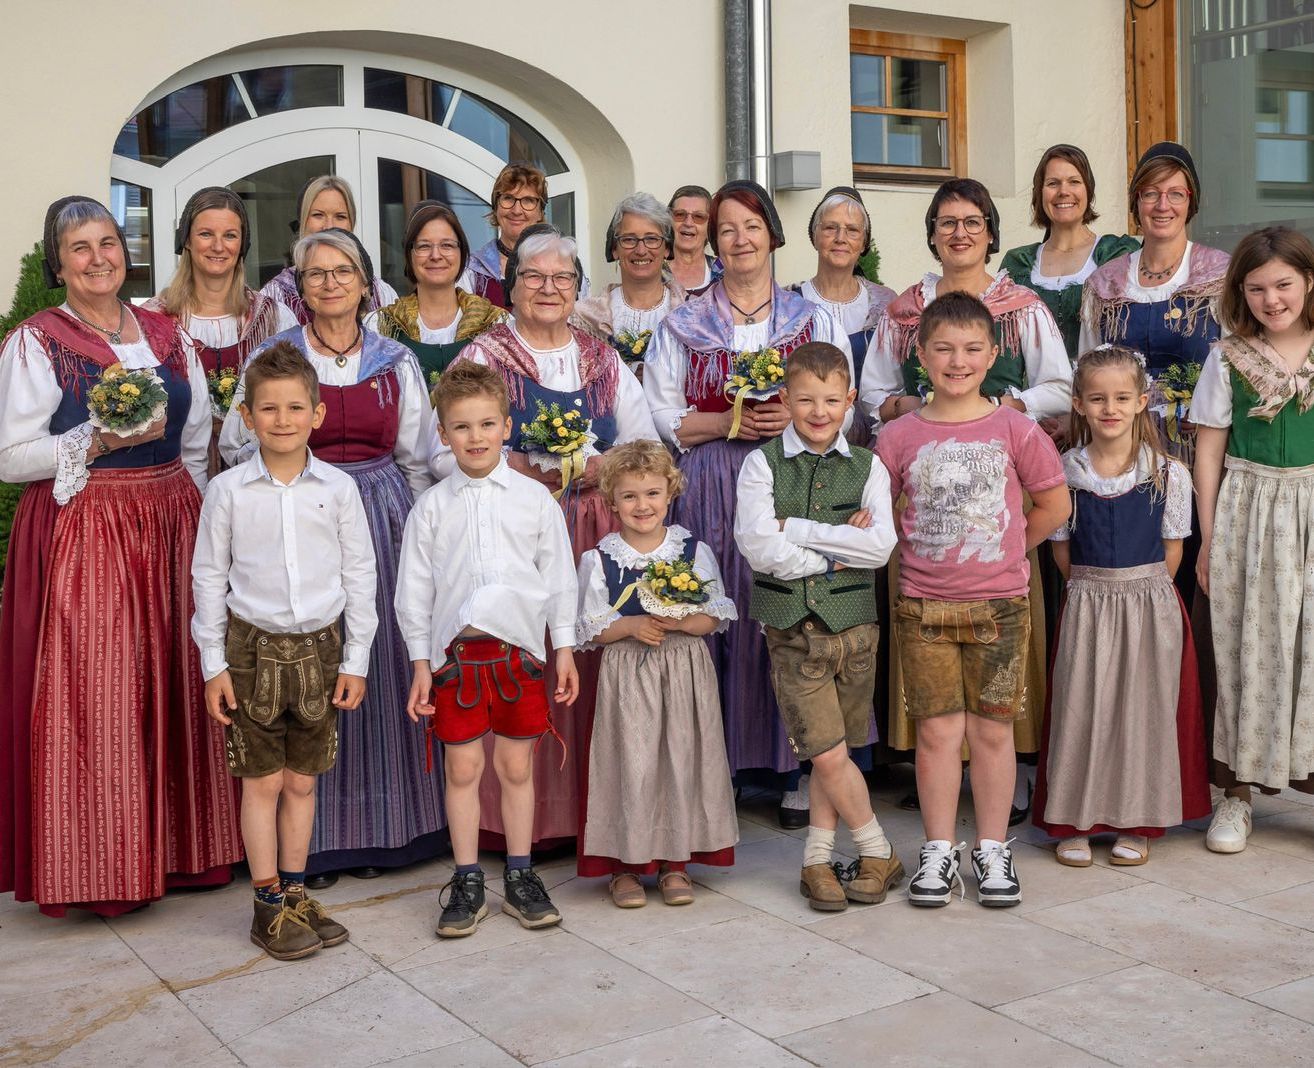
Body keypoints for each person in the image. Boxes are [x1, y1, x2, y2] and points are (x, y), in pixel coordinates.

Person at [0, 196, 240, 916]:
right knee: (101, 692)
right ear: (58, 262)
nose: (99, 257)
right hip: (88, 528)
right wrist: (96, 441)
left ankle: (186, 850)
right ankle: (100, 866)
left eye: (108, 242)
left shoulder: (169, 333)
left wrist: (200, 524)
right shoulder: (37, 341)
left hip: (171, 517)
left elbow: (197, 437)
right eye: (80, 247)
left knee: (178, 677)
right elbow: (10, 457)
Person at [222, 228, 443, 888]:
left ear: (365, 281)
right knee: (305, 669)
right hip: (300, 512)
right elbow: (238, 445)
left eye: (342, 270)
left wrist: (423, 537)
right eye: (315, 274)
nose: (330, 284)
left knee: (370, 660)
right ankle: (311, 850)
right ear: (300, 286)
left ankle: (391, 830)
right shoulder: (274, 355)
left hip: (381, 515)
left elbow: (420, 458)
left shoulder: (394, 360)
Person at [436, 223, 657, 848]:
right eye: (534, 277)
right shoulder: (484, 356)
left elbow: (644, 445)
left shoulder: (602, 356)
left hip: (596, 528)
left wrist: (598, 469)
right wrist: (516, 469)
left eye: (563, 278)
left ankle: (595, 813)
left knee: (592, 659)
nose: (549, 288)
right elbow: (441, 443)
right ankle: (522, 827)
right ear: (512, 287)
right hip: (514, 530)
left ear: (578, 287)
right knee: (523, 661)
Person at [861, 177, 1072, 814]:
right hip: (923, 511)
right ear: (931, 233)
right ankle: (938, 781)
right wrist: (901, 407)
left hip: (996, 517)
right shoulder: (903, 311)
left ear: (990, 233)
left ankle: (996, 790)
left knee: (994, 689)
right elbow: (870, 395)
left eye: (972, 222)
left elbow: (1060, 385)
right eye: (947, 222)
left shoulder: (1019, 305)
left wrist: (1009, 404)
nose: (959, 232)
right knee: (932, 672)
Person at [644, 179, 854, 786]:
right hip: (712, 479)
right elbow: (661, 413)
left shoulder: (812, 319)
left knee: (790, 609)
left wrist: (802, 412)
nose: (740, 239)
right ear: (712, 240)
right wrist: (724, 420)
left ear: (772, 236)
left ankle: (796, 765)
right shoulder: (683, 324)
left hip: (794, 474)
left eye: (751, 226)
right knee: (715, 605)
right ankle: (718, 765)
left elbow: (849, 402)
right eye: (727, 228)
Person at [875, 292, 1069, 908]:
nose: (957, 361)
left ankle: (991, 848)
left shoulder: (1016, 428)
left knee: (991, 733)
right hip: (923, 607)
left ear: (993, 355)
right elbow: (879, 517)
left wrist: (1010, 551)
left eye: (970, 349)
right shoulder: (898, 437)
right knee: (936, 734)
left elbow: (1054, 506)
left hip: (1000, 606)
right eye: (943, 350)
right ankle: (938, 852)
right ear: (920, 356)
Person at [191, 341, 378, 959]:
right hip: (251, 652)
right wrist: (213, 664)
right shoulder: (227, 491)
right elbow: (208, 579)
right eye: (268, 409)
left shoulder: (339, 488)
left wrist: (355, 659)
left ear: (317, 414)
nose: (282, 420)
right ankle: (266, 901)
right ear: (246, 416)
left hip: (322, 650)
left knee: (302, 782)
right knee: (262, 782)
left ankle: (297, 891)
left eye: (296, 407)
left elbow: (360, 575)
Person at [397, 361, 579, 937]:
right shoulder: (431, 507)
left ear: (506, 426)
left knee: (515, 767)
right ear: (444, 433)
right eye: (460, 427)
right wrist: (422, 664)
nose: (474, 438)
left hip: (518, 657)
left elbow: (559, 579)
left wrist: (566, 649)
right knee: (464, 768)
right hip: (455, 662)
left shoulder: (534, 500)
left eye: (485, 424)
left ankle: (522, 875)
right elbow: (415, 590)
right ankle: (469, 879)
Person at [735, 342, 902, 911]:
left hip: (856, 629)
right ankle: (878, 848)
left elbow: (879, 547)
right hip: (793, 627)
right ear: (785, 399)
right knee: (825, 751)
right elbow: (760, 547)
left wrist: (800, 527)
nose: (819, 411)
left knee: (842, 749)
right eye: (805, 399)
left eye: (832, 400)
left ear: (850, 400)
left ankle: (817, 862)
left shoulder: (869, 464)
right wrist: (836, 550)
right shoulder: (760, 464)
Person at [1032, 346, 1209, 866]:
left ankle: (1137, 820)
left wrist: (1142, 593)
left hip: (1150, 601)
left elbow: (1174, 547)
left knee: (1141, 711)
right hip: (1088, 599)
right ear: (1080, 405)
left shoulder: (1167, 474)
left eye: (1122, 398)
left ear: (1141, 401)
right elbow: (1061, 548)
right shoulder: (1066, 473)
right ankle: (1076, 819)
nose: (1110, 408)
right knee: (1082, 708)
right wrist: (1093, 589)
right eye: (1098, 398)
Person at [1192, 226, 1314, 851]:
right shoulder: (1229, 356)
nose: (1272, 299)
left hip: (1313, 502)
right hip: (1251, 503)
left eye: (1284, 285)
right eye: (1258, 288)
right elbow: (1209, 446)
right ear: (1242, 291)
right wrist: (1210, 537)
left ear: (1308, 282)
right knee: (1243, 642)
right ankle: (1233, 796)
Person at [576, 441, 738, 907]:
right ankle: (626, 866)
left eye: (651, 494)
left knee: (681, 759)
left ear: (670, 495)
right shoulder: (600, 558)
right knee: (633, 762)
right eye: (629, 496)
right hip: (629, 674)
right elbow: (590, 625)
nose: (641, 505)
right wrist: (628, 624)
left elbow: (717, 613)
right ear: (611, 502)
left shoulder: (692, 549)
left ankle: (675, 862)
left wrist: (684, 621)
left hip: (684, 671)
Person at [145, 186, 298, 475]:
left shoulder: (274, 318)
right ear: (186, 240)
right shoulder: (154, 321)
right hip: (175, 471)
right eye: (206, 234)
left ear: (242, 244)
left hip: (256, 472)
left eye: (230, 235)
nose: (218, 246)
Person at [1000, 145, 1140, 362]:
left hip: (1098, 390)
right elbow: (1005, 344)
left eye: (1074, 182)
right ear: (1040, 193)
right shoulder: (1019, 263)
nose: (1063, 191)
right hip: (1032, 393)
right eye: (1052, 183)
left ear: (1088, 190)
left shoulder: (1115, 254)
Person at [368, 200, 506, 383]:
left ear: (461, 253)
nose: (435, 255)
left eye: (447, 245)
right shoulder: (380, 326)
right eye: (424, 246)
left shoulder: (496, 324)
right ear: (410, 255)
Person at [792, 186, 896, 400]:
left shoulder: (886, 302)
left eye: (852, 230)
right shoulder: (789, 303)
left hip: (873, 427)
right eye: (830, 228)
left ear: (864, 242)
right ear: (815, 236)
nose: (841, 238)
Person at [572, 192, 688, 375]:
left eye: (651, 239)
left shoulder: (691, 313)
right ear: (615, 249)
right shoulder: (585, 317)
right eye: (629, 240)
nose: (641, 250)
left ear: (666, 248)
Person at [261, 176, 399, 324]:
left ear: (351, 224)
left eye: (340, 216)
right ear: (302, 222)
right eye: (318, 215)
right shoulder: (276, 295)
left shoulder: (381, 293)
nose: (328, 226)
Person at [464, 163, 590, 309]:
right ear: (496, 207)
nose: (516, 210)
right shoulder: (472, 271)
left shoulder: (568, 268)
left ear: (540, 212)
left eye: (528, 201)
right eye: (508, 198)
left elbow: (578, 324)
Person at [667, 185, 721, 294]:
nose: (688, 223)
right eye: (680, 215)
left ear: (710, 225)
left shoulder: (723, 271)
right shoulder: (654, 272)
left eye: (699, 217)